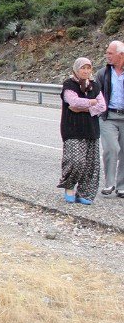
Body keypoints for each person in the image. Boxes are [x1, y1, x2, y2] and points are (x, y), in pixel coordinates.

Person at [59, 57, 106, 205]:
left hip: (91, 129)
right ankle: (69, 186)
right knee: (76, 161)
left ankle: (85, 193)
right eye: (82, 68)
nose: (85, 71)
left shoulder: (94, 85)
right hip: (72, 128)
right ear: (76, 69)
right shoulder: (69, 84)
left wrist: (84, 108)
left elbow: (102, 106)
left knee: (91, 164)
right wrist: (92, 103)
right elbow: (73, 102)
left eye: (88, 68)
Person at [98, 40, 124, 196]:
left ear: (121, 55)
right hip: (108, 116)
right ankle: (109, 184)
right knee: (111, 148)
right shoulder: (103, 73)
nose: (107, 56)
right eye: (107, 52)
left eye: (110, 53)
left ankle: (121, 186)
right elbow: (95, 93)